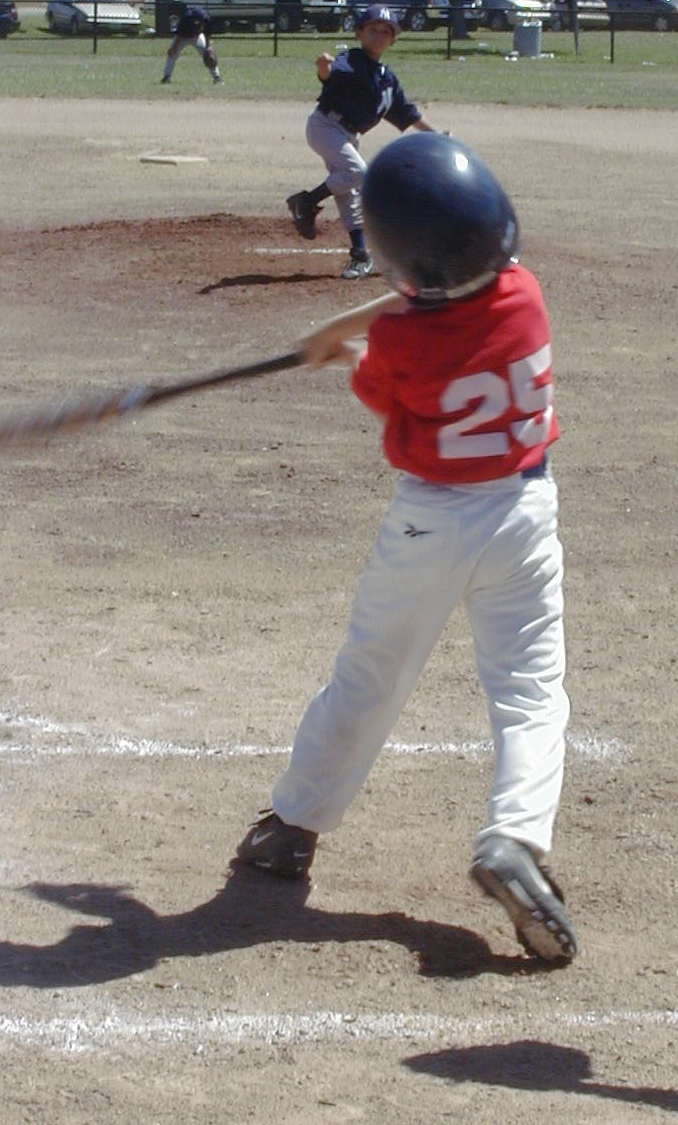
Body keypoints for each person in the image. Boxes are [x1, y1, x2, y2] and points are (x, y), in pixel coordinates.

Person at [236, 133, 578, 963]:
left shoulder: (397, 344)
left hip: (430, 524)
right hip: (523, 512)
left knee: (370, 674)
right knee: (531, 691)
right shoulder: (525, 291)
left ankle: (292, 829)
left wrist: (340, 343)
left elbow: (395, 353)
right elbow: (427, 304)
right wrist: (342, 327)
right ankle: (516, 838)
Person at [286, 4, 439, 281]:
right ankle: (306, 202)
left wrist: (437, 136)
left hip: (347, 135)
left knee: (349, 191)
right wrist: (323, 67)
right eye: (373, 30)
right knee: (359, 173)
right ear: (359, 33)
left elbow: (409, 114)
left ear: (393, 39)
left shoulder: (388, 81)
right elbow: (330, 74)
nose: (379, 36)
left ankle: (360, 255)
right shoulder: (352, 60)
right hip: (325, 126)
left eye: (385, 32)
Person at [161, 4, 223, 85]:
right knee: (172, 54)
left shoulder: (205, 18)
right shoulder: (186, 17)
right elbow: (179, 34)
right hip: (182, 37)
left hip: (197, 36)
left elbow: (208, 33)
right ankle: (166, 77)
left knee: (210, 57)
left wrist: (208, 47)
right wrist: (174, 48)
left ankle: (217, 77)